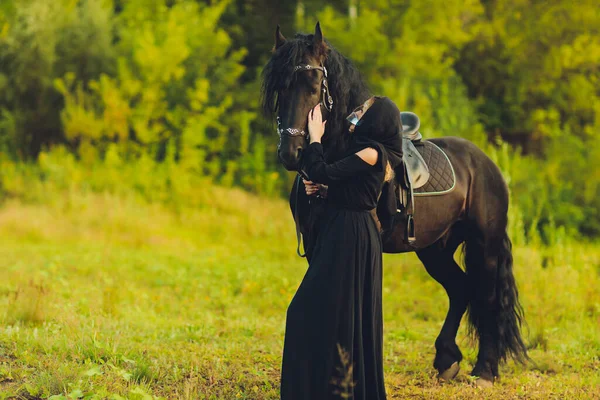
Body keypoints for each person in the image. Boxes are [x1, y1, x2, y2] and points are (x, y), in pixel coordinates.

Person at [280, 97, 404, 400]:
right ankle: (327, 386)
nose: (356, 113)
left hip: (352, 235)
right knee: (338, 312)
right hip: (345, 231)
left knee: (302, 310)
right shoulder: (364, 151)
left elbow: (324, 170)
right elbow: (348, 189)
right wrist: (322, 190)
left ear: (378, 120)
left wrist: (316, 138)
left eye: (363, 111)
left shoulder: (373, 153)